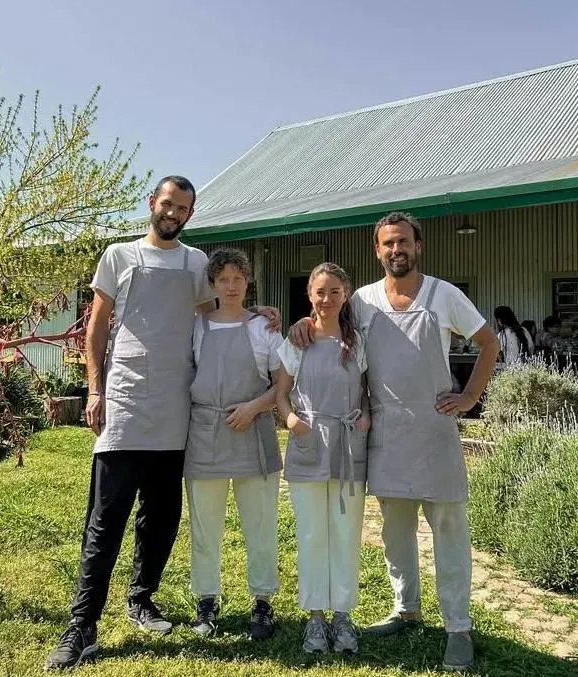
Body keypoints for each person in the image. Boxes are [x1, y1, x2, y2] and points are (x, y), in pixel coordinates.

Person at [45, 176, 280, 671]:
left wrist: (260, 315)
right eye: (167, 204)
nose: (173, 213)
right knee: (106, 520)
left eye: (183, 208)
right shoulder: (118, 256)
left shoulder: (197, 263)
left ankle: (141, 599)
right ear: (153, 204)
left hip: (178, 409)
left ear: (191, 215)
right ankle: (82, 624)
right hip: (126, 403)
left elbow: (215, 313)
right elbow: (98, 326)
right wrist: (95, 388)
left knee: (163, 516)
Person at [290, 213, 499, 672]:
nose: (395, 250)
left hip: (434, 432)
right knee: (394, 532)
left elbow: (489, 343)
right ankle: (407, 609)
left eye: (403, 241)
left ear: (418, 246)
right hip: (385, 434)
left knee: (448, 531)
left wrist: (468, 397)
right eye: (387, 243)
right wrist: (298, 325)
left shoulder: (444, 296)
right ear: (377, 251)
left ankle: (458, 627)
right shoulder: (362, 301)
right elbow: (327, 322)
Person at [184, 248, 283, 641]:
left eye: (237, 279)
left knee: (260, 525)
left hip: (252, 432)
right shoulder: (197, 326)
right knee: (205, 527)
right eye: (223, 279)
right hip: (205, 433)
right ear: (213, 283)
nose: (230, 286)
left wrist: (255, 407)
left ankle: (262, 602)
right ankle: (206, 600)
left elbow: (283, 385)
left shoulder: (264, 328)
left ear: (247, 283)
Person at [277, 262, 370, 655]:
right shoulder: (298, 339)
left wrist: (364, 415)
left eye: (334, 291)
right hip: (309, 443)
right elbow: (280, 393)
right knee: (313, 533)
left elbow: (367, 388)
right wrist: (293, 421)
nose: (327, 299)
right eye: (320, 292)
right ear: (309, 295)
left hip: (348, 445)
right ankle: (315, 617)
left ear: (345, 294)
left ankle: (343, 615)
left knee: (346, 534)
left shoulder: (358, 341)